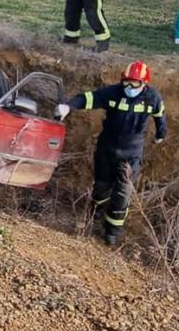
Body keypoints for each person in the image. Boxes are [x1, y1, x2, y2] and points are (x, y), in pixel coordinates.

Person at [55, 61, 167, 246]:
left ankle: (112, 232)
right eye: (127, 82)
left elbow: (160, 115)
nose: (129, 87)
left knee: (123, 193)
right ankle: (96, 215)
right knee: (101, 187)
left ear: (144, 83)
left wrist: (160, 134)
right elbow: (88, 98)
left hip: (131, 153)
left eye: (135, 83)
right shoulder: (113, 93)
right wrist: (68, 106)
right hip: (107, 149)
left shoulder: (152, 97)